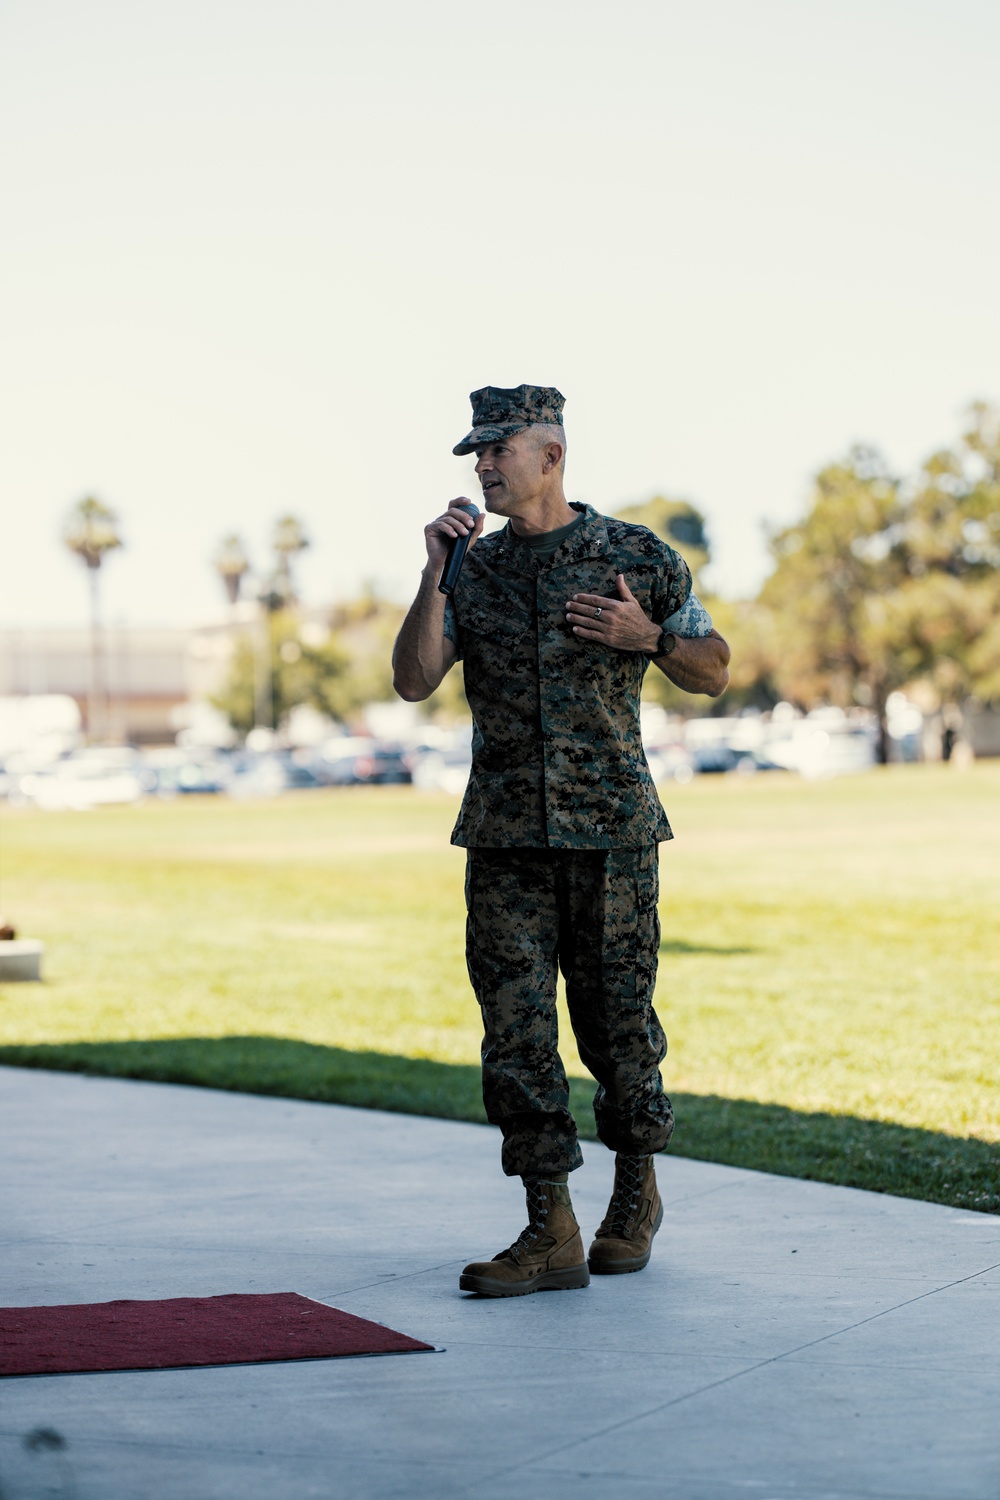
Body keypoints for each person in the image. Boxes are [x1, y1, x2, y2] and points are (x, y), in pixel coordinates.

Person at [392, 385, 730, 1298]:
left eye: (499, 450)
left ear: (552, 455)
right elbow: (415, 679)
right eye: (476, 453)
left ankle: (635, 1196)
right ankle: (549, 1230)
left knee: (618, 1027)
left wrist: (648, 634)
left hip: (612, 833)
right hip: (504, 836)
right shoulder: (474, 566)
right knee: (515, 1033)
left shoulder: (634, 555)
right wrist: (435, 573)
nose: (483, 467)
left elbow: (715, 669)